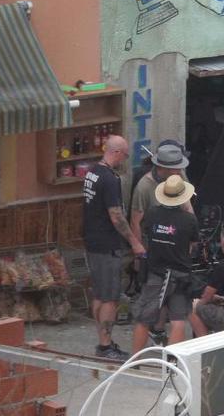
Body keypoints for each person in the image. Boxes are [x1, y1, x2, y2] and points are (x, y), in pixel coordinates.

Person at [83, 135, 146, 360]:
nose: (125, 159)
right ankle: (105, 346)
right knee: (110, 298)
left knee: (99, 295)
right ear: (117, 152)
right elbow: (116, 215)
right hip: (108, 245)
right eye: (125, 155)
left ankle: (103, 340)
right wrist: (134, 242)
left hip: (92, 242)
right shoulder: (110, 179)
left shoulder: (91, 172)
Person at [130, 142, 193, 344]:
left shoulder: (177, 179)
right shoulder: (144, 186)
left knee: (149, 315)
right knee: (175, 318)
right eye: (175, 167)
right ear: (162, 167)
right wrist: (138, 252)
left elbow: (188, 208)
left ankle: (160, 356)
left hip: (163, 263)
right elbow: (135, 221)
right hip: (162, 261)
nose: (179, 171)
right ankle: (166, 361)